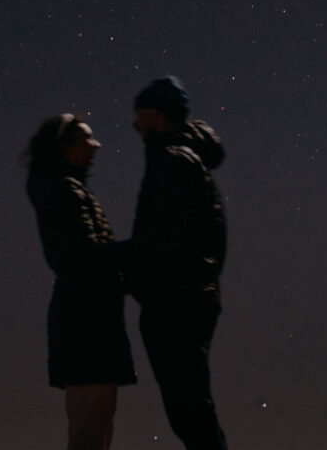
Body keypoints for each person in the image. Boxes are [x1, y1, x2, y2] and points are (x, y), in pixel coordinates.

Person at [123, 76, 229, 450]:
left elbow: (165, 240)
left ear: (154, 114)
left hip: (176, 303)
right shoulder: (181, 157)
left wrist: (128, 270)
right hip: (187, 298)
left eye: (139, 115)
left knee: (191, 413)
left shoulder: (171, 161)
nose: (135, 124)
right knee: (192, 410)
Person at [24, 114, 136, 450]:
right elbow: (89, 257)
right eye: (86, 137)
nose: (96, 144)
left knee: (95, 425)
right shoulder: (64, 193)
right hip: (87, 327)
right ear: (65, 146)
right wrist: (145, 249)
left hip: (86, 324)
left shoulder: (64, 189)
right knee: (91, 427)